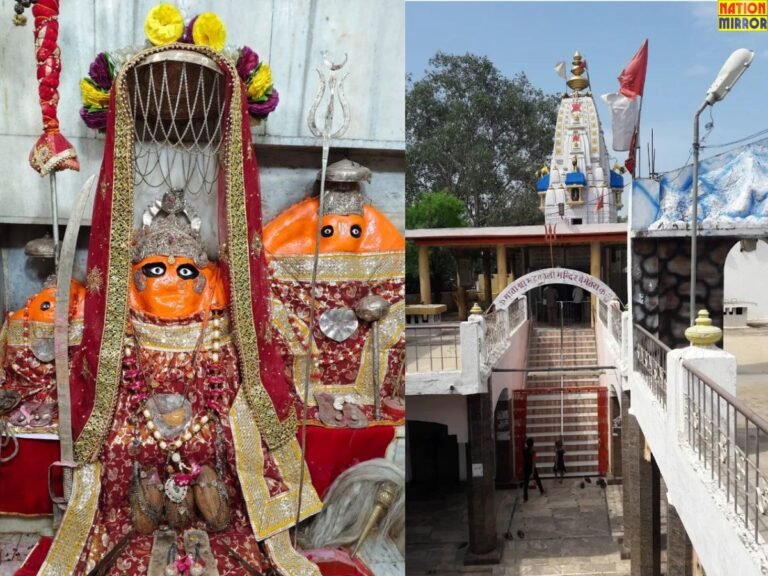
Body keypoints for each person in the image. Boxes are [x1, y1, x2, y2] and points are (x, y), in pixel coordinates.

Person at [523, 437, 545, 501]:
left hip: (526, 468)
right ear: (533, 444)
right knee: (537, 479)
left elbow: (524, 460)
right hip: (531, 468)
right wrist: (532, 471)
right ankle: (541, 490)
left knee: (526, 482)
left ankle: (525, 497)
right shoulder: (533, 452)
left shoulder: (524, 451)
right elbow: (533, 462)